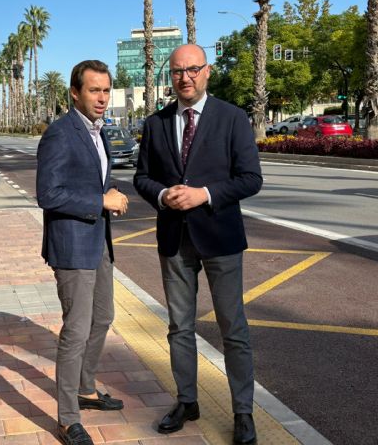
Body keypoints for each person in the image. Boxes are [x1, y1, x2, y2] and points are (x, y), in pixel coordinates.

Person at [133, 44, 262, 445]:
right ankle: (187, 401)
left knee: (232, 328)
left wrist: (203, 194)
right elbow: (141, 177)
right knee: (179, 328)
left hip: (220, 237)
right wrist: (162, 195)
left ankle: (243, 412)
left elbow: (250, 178)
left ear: (207, 72)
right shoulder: (155, 124)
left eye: (192, 69)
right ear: (168, 77)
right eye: (176, 71)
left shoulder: (232, 117)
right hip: (175, 239)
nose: (184, 77)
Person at [36, 59, 129, 445]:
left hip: (98, 242)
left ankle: (86, 388)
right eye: (94, 90)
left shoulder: (97, 132)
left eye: (106, 90)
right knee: (75, 331)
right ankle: (67, 418)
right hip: (73, 245)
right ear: (75, 93)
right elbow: (48, 193)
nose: (102, 98)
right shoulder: (61, 133)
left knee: (103, 317)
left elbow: (92, 177)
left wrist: (109, 197)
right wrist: (100, 200)